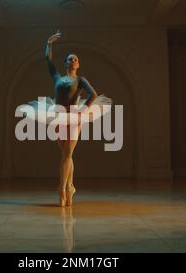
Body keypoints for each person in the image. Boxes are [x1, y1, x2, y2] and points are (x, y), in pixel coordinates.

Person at [19, 30, 112, 207]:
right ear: (65, 63)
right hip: (57, 115)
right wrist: (49, 44)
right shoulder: (57, 78)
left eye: (75, 59)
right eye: (70, 59)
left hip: (74, 116)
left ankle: (62, 189)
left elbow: (93, 94)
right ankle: (70, 187)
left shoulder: (81, 80)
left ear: (78, 64)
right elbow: (48, 61)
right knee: (65, 154)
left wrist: (83, 110)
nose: (73, 61)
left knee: (68, 153)